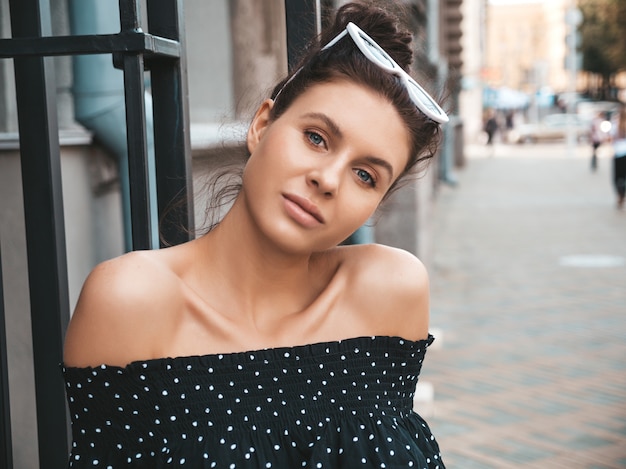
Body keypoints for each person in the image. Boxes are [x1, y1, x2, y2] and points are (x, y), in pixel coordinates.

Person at [61, 2, 448, 467]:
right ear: (263, 125)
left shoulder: (388, 291)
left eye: (365, 175)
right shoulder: (132, 301)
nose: (328, 179)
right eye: (317, 138)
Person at [610, 105, 626, 209]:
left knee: (617, 177)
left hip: (618, 153)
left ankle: (620, 194)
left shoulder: (615, 124)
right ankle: (622, 193)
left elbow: (611, 137)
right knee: (624, 177)